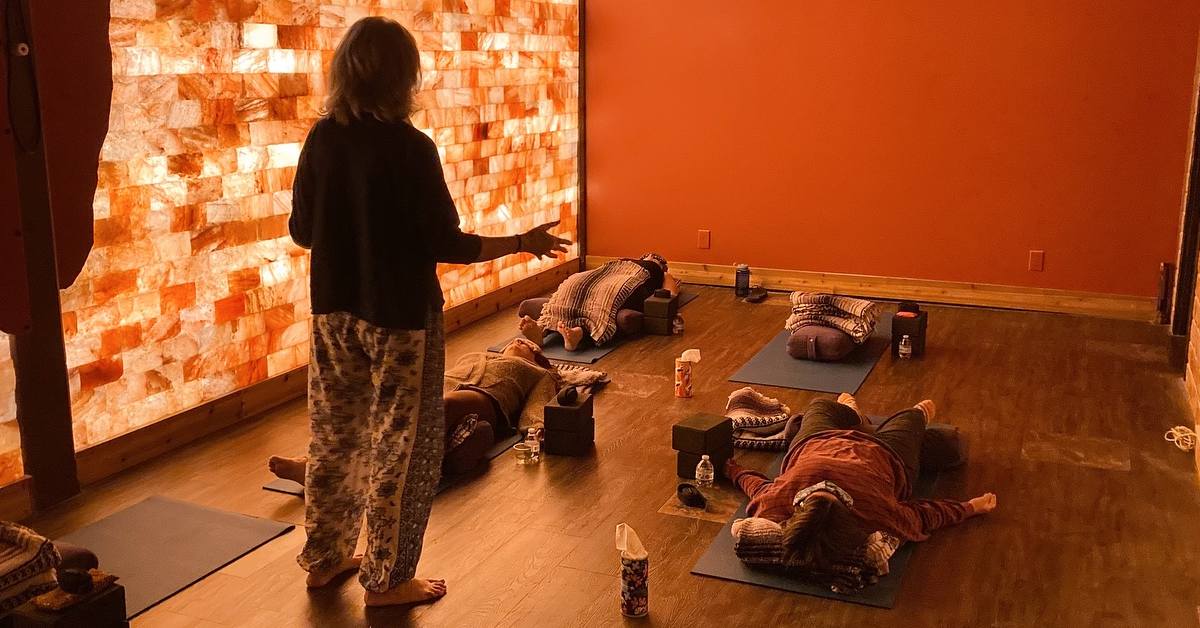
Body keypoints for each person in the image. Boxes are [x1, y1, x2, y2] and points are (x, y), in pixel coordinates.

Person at [287, 17, 571, 608]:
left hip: (332, 313)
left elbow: (301, 231)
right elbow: (447, 243)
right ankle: (387, 581)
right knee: (403, 444)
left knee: (334, 436)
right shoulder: (411, 148)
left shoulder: (323, 139)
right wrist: (521, 241)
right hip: (401, 320)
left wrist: (351, 227)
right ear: (403, 76)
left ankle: (325, 559)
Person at [726, 394, 997, 590]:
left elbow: (757, 487)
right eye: (831, 493)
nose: (825, 488)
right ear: (850, 519)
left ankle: (853, 415)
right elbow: (923, 515)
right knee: (917, 414)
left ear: (795, 513)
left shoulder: (777, 503)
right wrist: (970, 507)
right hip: (888, 454)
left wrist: (731, 469)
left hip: (817, 439)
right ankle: (908, 417)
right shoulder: (876, 514)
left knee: (820, 405)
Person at [268, 337, 586, 482]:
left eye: (527, 344)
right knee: (390, 417)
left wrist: (534, 429)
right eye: (514, 341)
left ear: (534, 353)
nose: (519, 342)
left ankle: (320, 467)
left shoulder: (536, 372)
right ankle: (321, 468)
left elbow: (537, 406)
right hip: (438, 391)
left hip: (484, 398)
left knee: (433, 410)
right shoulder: (478, 354)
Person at [518, 253, 681, 351]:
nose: (653, 257)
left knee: (597, 291)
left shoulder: (654, 269)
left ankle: (562, 330)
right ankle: (562, 331)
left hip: (623, 276)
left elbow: (669, 295)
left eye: (656, 258)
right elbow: (671, 293)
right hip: (609, 275)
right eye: (652, 257)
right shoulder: (635, 264)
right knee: (583, 287)